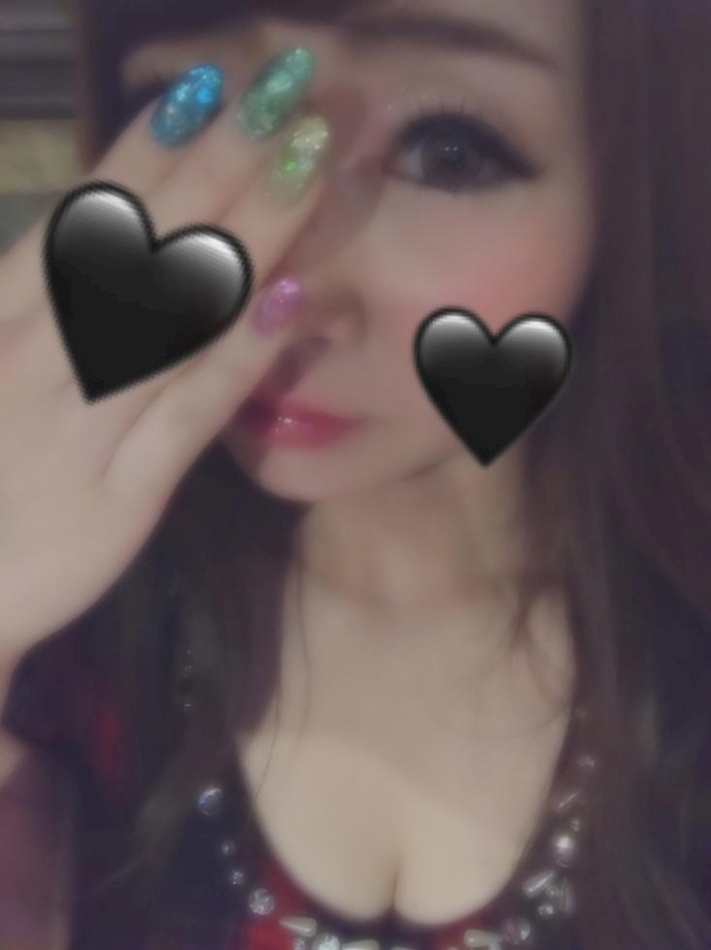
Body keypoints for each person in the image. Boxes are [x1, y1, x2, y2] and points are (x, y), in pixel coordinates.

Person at [0, 0, 710, 948]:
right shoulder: (67, 626)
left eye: (446, 152)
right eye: (190, 112)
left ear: (629, 186)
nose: (274, 288)